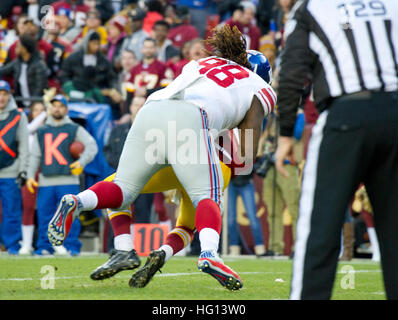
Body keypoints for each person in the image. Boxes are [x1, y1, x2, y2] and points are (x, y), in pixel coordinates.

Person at [48, 25, 275, 290]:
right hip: (190, 119)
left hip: (152, 108)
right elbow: (247, 147)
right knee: (208, 197)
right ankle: (210, 254)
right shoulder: (258, 86)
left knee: (123, 188)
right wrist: (247, 156)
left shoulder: (204, 63)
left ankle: (78, 201)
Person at [275, 0, 398, 300]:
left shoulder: (310, 9)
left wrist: (285, 135)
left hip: (346, 115)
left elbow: (291, 74)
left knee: (319, 228)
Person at [26, 94, 98, 256]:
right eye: (54, 105)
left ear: (66, 109)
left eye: (60, 105)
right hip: (45, 180)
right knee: (45, 216)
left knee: (70, 215)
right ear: (50, 108)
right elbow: (35, 155)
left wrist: (82, 162)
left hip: (68, 179)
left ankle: (72, 246)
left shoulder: (74, 128)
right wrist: (30, 174)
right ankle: (45, 246)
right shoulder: (42, 130)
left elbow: (92, 145)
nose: (56, 108)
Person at [0, 80, 29, 255]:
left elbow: (24, 145)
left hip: (10, 170)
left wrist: (23, 169)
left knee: (12, 210)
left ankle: (12, 245)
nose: (1, 97)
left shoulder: (18, 115)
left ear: (9, 96)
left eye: (4, 94)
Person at [19, 100, 47, 255]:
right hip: (31, 172)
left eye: (42, 110)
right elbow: (30, 129)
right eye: (36, 110)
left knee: (45, 209)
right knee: (28, 208)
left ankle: (46, 244)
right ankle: (26, 244)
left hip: (47, 173)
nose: (39, 113)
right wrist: (46, 111)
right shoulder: (27, 130)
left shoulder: (50, 130)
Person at [0, 34, 48, 107]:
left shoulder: (39, 65)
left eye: (18, 46)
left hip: (36, 106)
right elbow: (3, 70)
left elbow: (39, 89)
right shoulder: (17, 62)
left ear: (25, 49)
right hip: (20, 103)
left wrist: (32, 106)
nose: (15, 48)